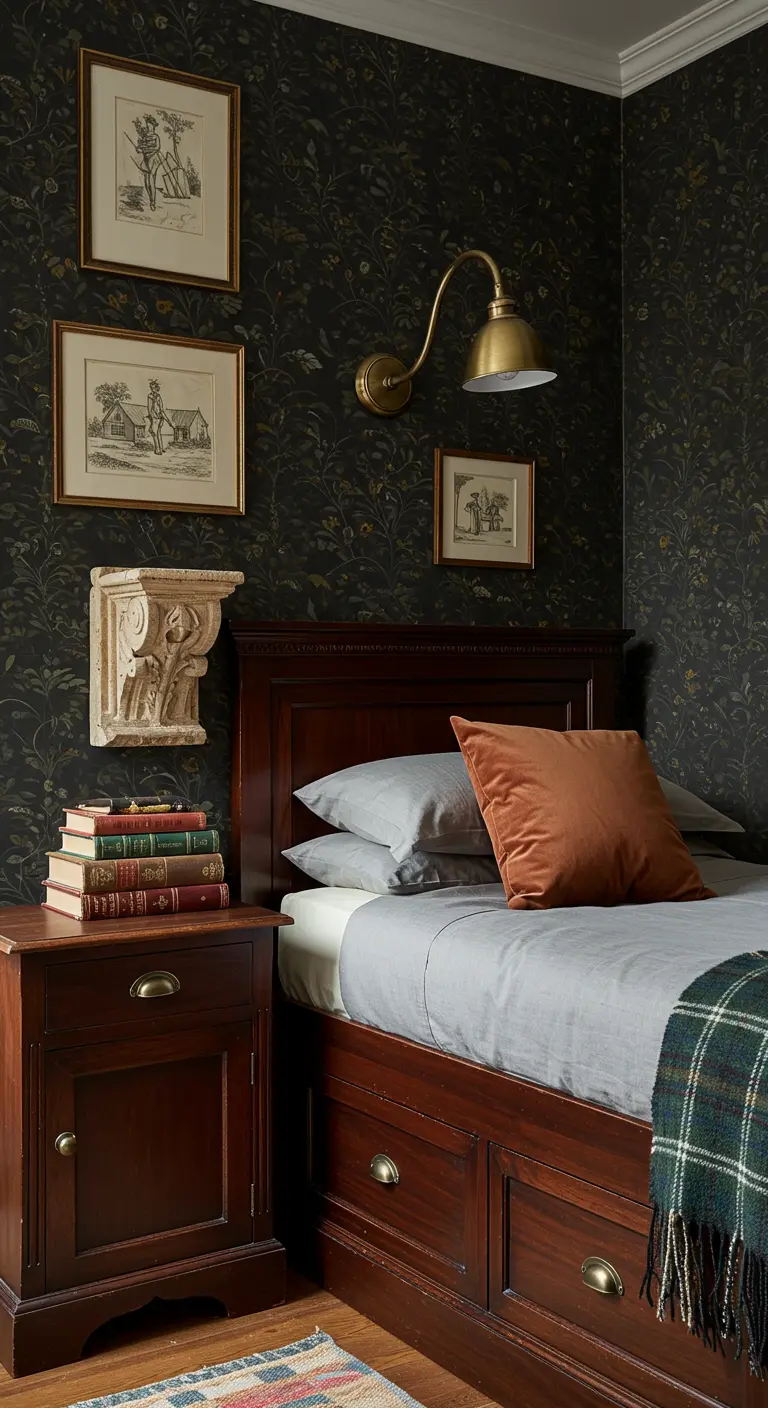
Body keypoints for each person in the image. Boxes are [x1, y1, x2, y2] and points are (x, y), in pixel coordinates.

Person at [135, 115, 162, 213]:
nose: (148, 127)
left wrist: (145, 150)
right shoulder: (145, 137)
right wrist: (138, 149)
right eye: (147, 126)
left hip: (153, 159)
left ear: (153, 126)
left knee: (151, 182)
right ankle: (151, 199)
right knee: (146, 183)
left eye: (150, 125)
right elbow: (141, 147)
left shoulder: (155, 137)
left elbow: (157, 148)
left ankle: (153, 203)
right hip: (146, 159)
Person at [147, 379, 169, 456]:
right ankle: (157, 449)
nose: (153, 389)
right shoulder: (150, 396)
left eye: (154, 388)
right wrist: (152, 417)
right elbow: (149, 408)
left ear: (157, 388)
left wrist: (163, 418)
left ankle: (160, 448)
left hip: (159, 417)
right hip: (154, 417)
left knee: (158, 432)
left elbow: (161, 408)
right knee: (155, 433)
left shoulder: (158, 396)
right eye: (151, 388)